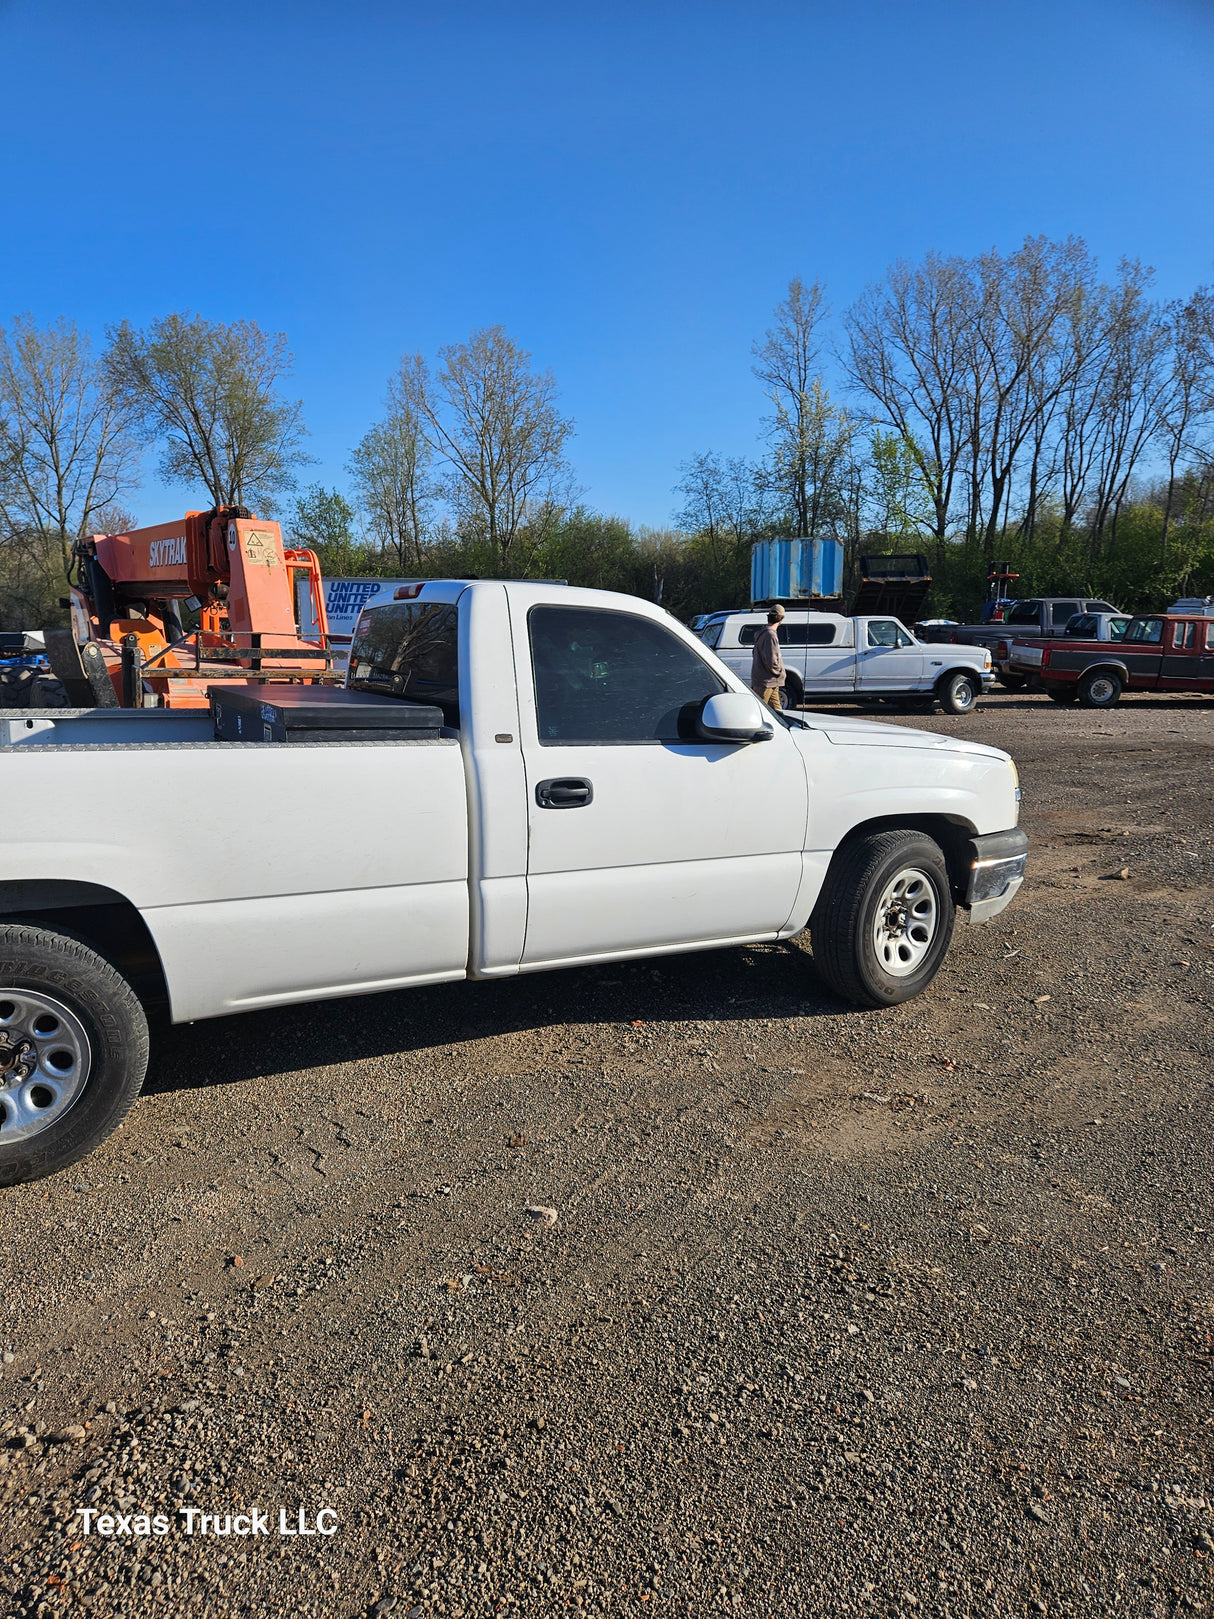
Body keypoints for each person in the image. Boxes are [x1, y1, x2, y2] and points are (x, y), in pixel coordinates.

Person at [750, 604, 786, 711]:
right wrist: (779, 672)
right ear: (781, 619)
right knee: (760, 711)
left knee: (777, 711)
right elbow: (772, 661)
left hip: (769, 681)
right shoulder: (771, 635)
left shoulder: (762, 633)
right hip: (766, 682)